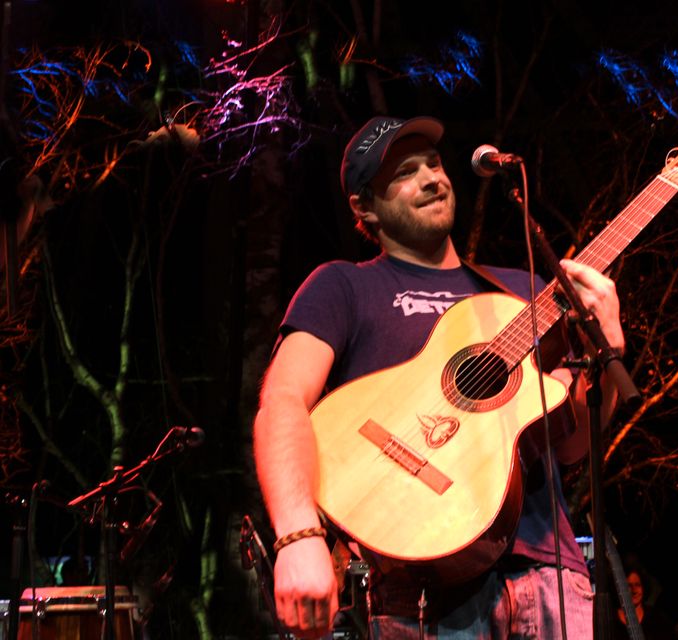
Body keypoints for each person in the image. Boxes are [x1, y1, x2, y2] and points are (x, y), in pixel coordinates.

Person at [253, 115, 626, 639]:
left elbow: (571, 446)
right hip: (416, 587)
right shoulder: (342, 286)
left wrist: (607, 352)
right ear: (364, 206)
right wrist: (297, 534)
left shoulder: (528, 292)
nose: (433, 178)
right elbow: (283, 400)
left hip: (551, 578)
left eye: (434, 163)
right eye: (407, 172)